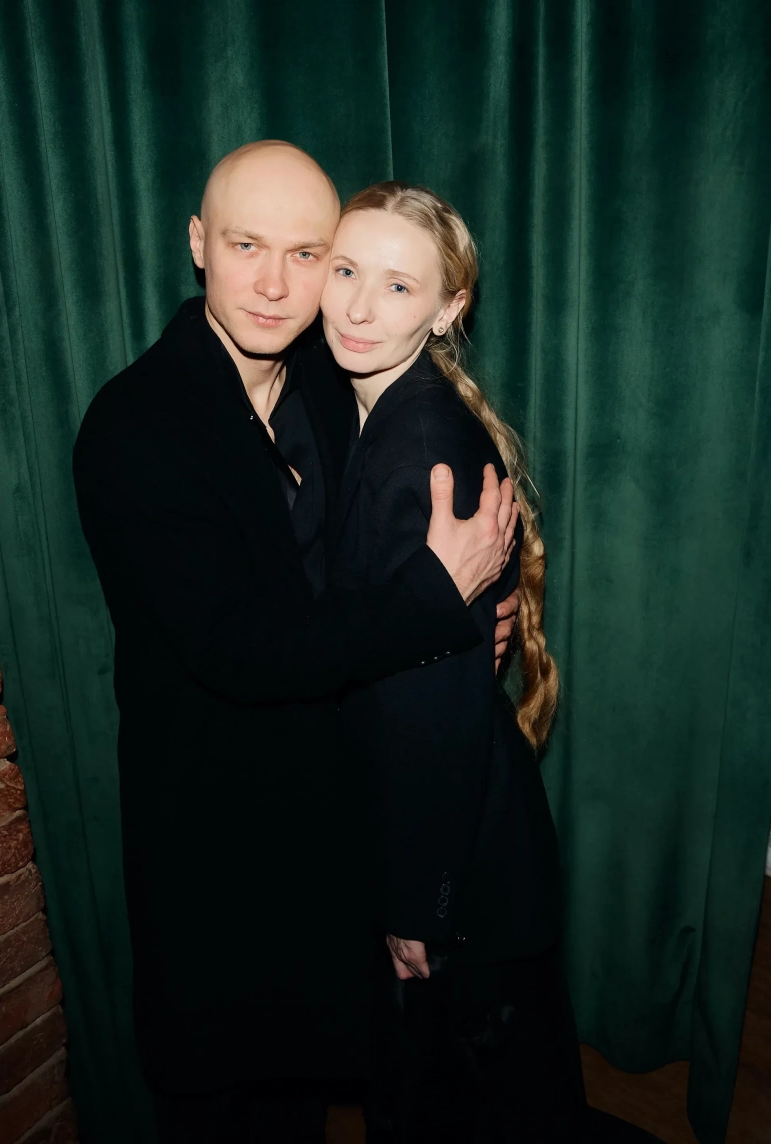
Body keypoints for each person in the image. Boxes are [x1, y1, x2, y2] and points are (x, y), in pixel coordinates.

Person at [73, 142, 519, 1143]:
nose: (276, 285)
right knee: (236, 1103)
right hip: (217, 842)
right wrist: (435, 603)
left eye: (307, 254)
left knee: (330, 1086)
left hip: (335, 826)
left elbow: (386, 543)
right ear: (198, 244)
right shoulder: (134, 427)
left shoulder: (329, 369)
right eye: (246, 246)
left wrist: (477, 613)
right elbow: (240, 648)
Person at [321, 181, 590, 1142]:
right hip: (459, 831)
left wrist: (417, 903)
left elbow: (428, 711)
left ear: (448, 309)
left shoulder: (420, 449)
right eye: (345, 270)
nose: (358, 307)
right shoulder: (377, 404)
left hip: (457, 857)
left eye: (398, 286)